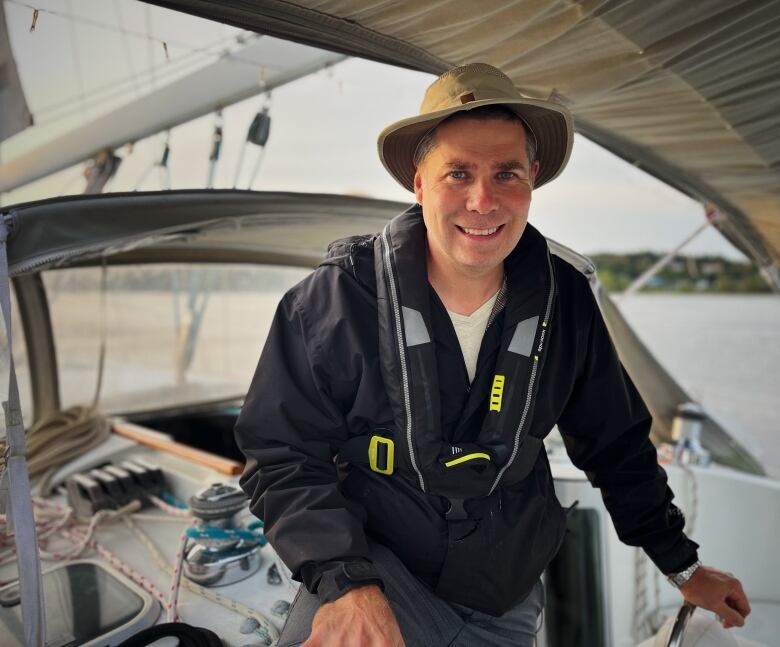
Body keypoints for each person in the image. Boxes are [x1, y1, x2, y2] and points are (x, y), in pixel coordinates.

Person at [235, 63, 750, 647]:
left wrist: (682, 566)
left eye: (505, 174)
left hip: (503, 590)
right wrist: (346, 582)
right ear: (419, 181)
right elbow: (280, 454)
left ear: (532, 177)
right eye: (458, 173)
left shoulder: (568, 302)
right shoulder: (334, 301)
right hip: (375, 572)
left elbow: (618, 446)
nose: (483, 201)